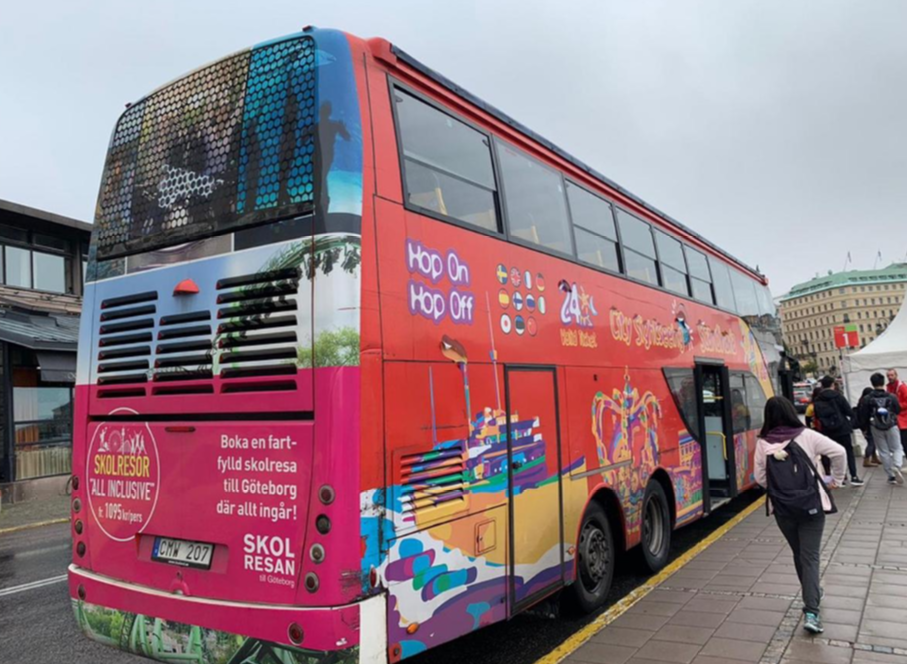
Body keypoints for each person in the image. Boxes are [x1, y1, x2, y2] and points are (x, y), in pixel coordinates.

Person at [754, 396, 846, 635]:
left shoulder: (763, 442)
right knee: (810, 556)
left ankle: (812, 593)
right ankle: (812, 611)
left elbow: (760, 478)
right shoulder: (807, 435)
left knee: (799, 553)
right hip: (811, 505)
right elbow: (840, 452)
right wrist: (836, 480)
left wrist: (781, 491)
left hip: (782, 509)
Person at [813, 376, 863, 486]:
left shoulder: (817, 399)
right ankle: (854, 476)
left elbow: (817, 416)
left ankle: (839, 478)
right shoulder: (838, 396)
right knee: (848, 452)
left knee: (831, 453)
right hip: (842, 428)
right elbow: (849, 411)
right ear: (833, 385)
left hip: (827, 430)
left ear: (822, 386)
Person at [861, 373, 904, 485]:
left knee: (883, 451)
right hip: (892, 425)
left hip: (876, 426)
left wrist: (865, 428)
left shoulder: (867, 398)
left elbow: (864, 415)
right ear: (883, 382)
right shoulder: (891, 396)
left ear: (872, 383)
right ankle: (897, 465)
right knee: (897, 448)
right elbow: (898, 410)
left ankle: (891, 476)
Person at [856, 386, 881, 468]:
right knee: (871, 442)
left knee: (872, 442)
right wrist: (865, 428)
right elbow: (865, 417)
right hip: (867, 426)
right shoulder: (865, 404)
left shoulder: (861, 403)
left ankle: (874, 457)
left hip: (865, 425)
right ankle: (866, 459)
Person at [886, 369, 907, 459]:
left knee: (905, 442)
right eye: (888, 376)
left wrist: (897, 406)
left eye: (892, 375)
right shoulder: (888, 387)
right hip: (896, 419)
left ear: (896, 375)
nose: (890, 377)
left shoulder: (902, 387)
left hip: (904, 419)